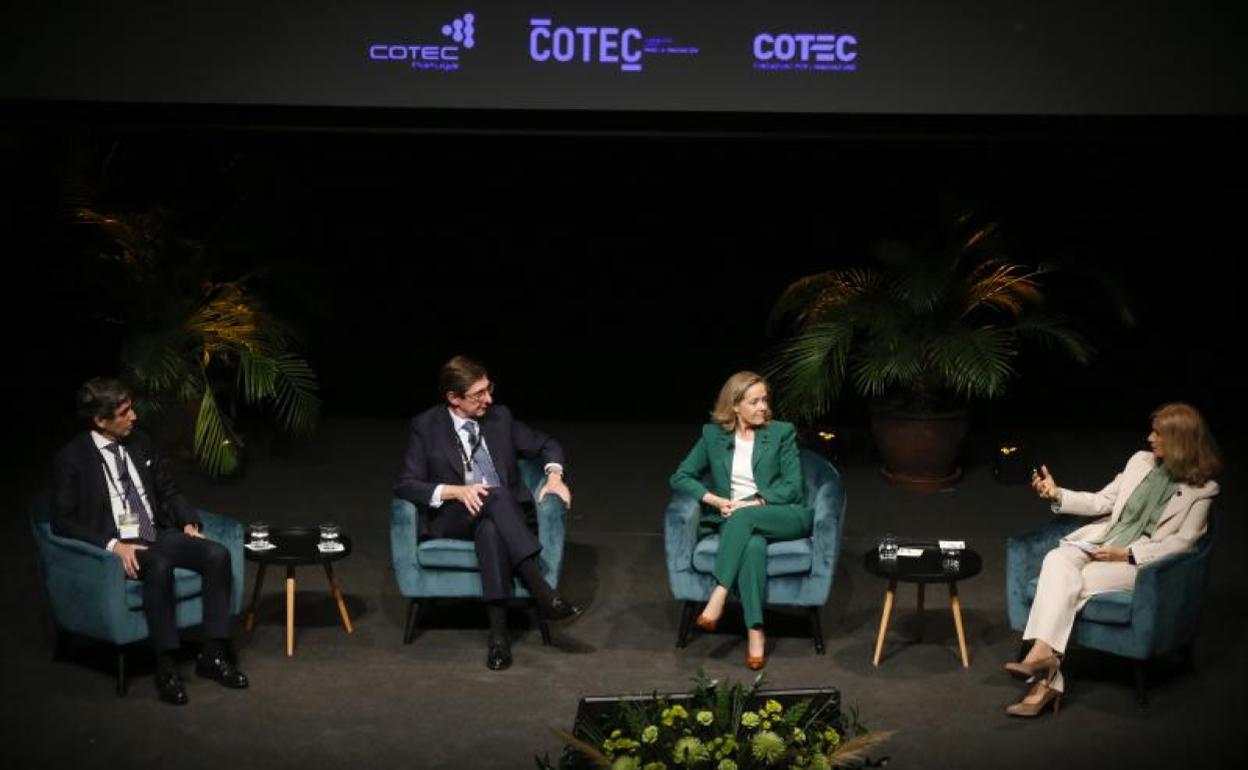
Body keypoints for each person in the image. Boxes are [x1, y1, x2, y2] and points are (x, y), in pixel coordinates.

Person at [1007, 402, 1222, 716]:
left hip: (1139, 563)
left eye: (1158, 434)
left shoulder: (1203, 489)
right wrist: (1058, 495)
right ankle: (1046, 662)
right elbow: (1104, 500)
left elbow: (1184, 542)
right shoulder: (1140, 462)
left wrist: (1129, 554)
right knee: (1056, 559)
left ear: (1180, 441)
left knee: (1073, 583)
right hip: (1103, 543)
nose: (1150, 438)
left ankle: (1044, 675)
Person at [51, 378, 248, 705]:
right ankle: (166, 665)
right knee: (158, 565)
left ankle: (212, 655)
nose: (134, 417)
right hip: (121, 544)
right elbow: (61, 520)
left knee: (216, 554)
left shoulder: (140, 443)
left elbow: (168, 489)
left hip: (156, 532)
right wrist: (113, 546)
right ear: (100, 420)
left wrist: (187, 521)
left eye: (132, 409)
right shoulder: (72, 458)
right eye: (125, 412)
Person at [394, 355, 582, 670]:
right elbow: (406, 485)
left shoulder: (500, 417)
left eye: (488, 388)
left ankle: (499, 640)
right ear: (453, 398)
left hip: (501, 518)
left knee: (492, 526)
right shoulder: (426, 426)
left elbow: (546, 444)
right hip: (454, 517)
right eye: (478, 394)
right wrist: (458, 491)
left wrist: (554, 476)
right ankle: (543, 591)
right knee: (494, 498)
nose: (489, 399)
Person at [669, 371, 813, 670]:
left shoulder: (781, 432)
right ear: (734, 406)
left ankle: (718, 594)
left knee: (745, 518)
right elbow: (680, 476)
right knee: (753, 548)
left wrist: (750, 502)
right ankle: (755, 631)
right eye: (754, 401)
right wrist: (715, 500)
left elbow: (792, 487)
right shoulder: (713, 436)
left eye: (765, 400)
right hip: (734, 519)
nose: (763, 407)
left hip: (784, 514)